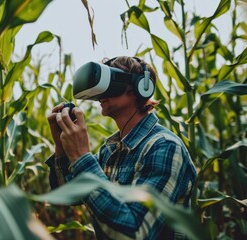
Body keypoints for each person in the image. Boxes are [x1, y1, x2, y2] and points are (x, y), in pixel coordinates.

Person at [46, 56, 197, 239]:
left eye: (109, 82)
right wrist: (61, 147)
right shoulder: (110, 151)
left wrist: (81, 157)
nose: (101, 92)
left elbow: (136, 232)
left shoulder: (164, 147)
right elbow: (70, 195)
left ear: (141, 87)